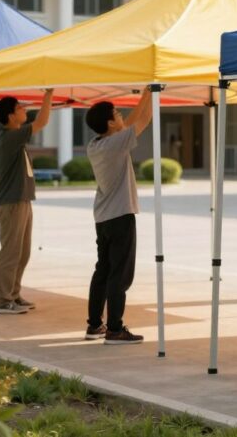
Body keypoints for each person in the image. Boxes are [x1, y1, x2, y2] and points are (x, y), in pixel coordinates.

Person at [83, 88, 153, 345]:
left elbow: (131, 122)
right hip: (120, 215)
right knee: (119, 275)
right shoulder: (115, 143)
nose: (121, 115)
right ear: (110, 123)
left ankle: (94, 325)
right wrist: (151, 95)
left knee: (103, 270)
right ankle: (114, 328)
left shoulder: (96, 144)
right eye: (116, 113)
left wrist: (145, 94)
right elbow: (142, 121)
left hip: (103, 218)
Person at [0, 90, 54, 314]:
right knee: (11, 252)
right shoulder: (9, 136)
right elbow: (43, 121)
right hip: (12, 203)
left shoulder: (14, 136)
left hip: (23, 201)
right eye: (20, 108)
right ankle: (3, 300)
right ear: (10, 116)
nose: (24, 110)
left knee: (23, 251)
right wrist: (49, 94)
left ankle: (14, 294)